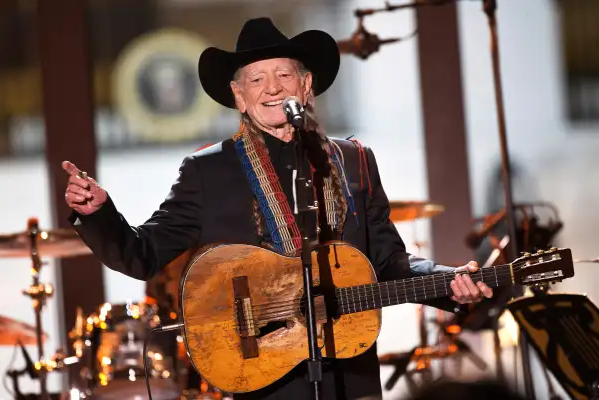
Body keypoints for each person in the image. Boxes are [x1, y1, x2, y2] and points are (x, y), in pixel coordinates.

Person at [62, 17, 493, 400]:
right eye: (256, 79)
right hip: (262, 375)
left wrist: (445, 279)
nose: (272, 88)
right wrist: (98, 213)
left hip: (351, 372)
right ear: (238, 96)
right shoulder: (207, 170)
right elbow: (142, 254)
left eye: (284, 74)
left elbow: (388, 260)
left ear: (306, 86)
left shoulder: (354, 160)